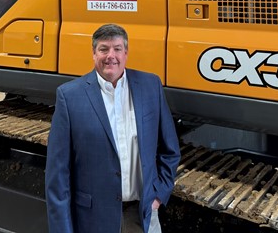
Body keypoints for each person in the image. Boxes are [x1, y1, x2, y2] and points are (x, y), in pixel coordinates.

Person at [45, 23, 181, 233]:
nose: (111, 56)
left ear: (126, 53)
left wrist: (158, 195)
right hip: (94, 220)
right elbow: (58, 176)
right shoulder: (69, 97)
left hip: (143, 215)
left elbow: (170, 150)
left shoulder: (150, 86)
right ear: (93, 53)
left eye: (117, 49)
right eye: (103, 49)